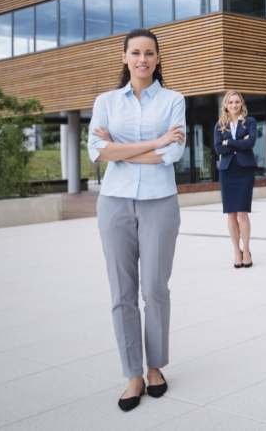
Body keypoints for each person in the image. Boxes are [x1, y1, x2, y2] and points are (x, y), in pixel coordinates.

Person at [87, 29, 186, 411]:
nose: (142, 59)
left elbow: (173, 155)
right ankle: (133, 373)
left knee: (155, 290)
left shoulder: (174, 100)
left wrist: (121, 148)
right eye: (135, 53)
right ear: (124, 57)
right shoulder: (106, 101)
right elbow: (97, 150)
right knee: (121, 295)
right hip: (114, 204)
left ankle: (156, 365)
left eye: (149, 53)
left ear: (158, 58)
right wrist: (155, 142)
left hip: (160, 203)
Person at [214, 90, 257, 268]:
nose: (234, 105)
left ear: (242, 104)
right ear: (225, 105)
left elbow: (251, 142)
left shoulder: (250, 121)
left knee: (242, 213)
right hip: (227, 171)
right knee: (231, 213)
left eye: (237, 102)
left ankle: (246, 250)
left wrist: (229, 142)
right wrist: (239, 142)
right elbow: (218, 148)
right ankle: (236, 251)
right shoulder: (219, 125)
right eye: (230, 102)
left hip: (244, 170)